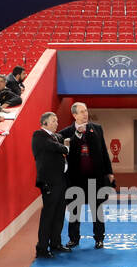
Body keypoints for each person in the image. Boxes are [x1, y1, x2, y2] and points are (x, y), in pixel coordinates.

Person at [61, 102, 115, 249]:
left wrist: (109, 172)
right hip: (75, 179)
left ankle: (99, 239)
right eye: (82, 112)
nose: (85, 114)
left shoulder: (96, 129)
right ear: (74, 115)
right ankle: (74, 239)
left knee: (97, 210)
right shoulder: (65, 132)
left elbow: (103, 151)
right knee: (74, 210)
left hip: (95, 178)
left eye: (86, 111)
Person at [31, 112, 70, 259]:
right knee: (48, 215)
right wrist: (65, 148)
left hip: (61, 181)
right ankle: (42, 248)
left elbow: (61, 144)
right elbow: (57, 148)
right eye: (53, 121)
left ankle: (55, 243)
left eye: (57, 120)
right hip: (49, 182)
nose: (56, 123)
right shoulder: (39, 135)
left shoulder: (57, 136)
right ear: (45, 123)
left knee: (59, 214)